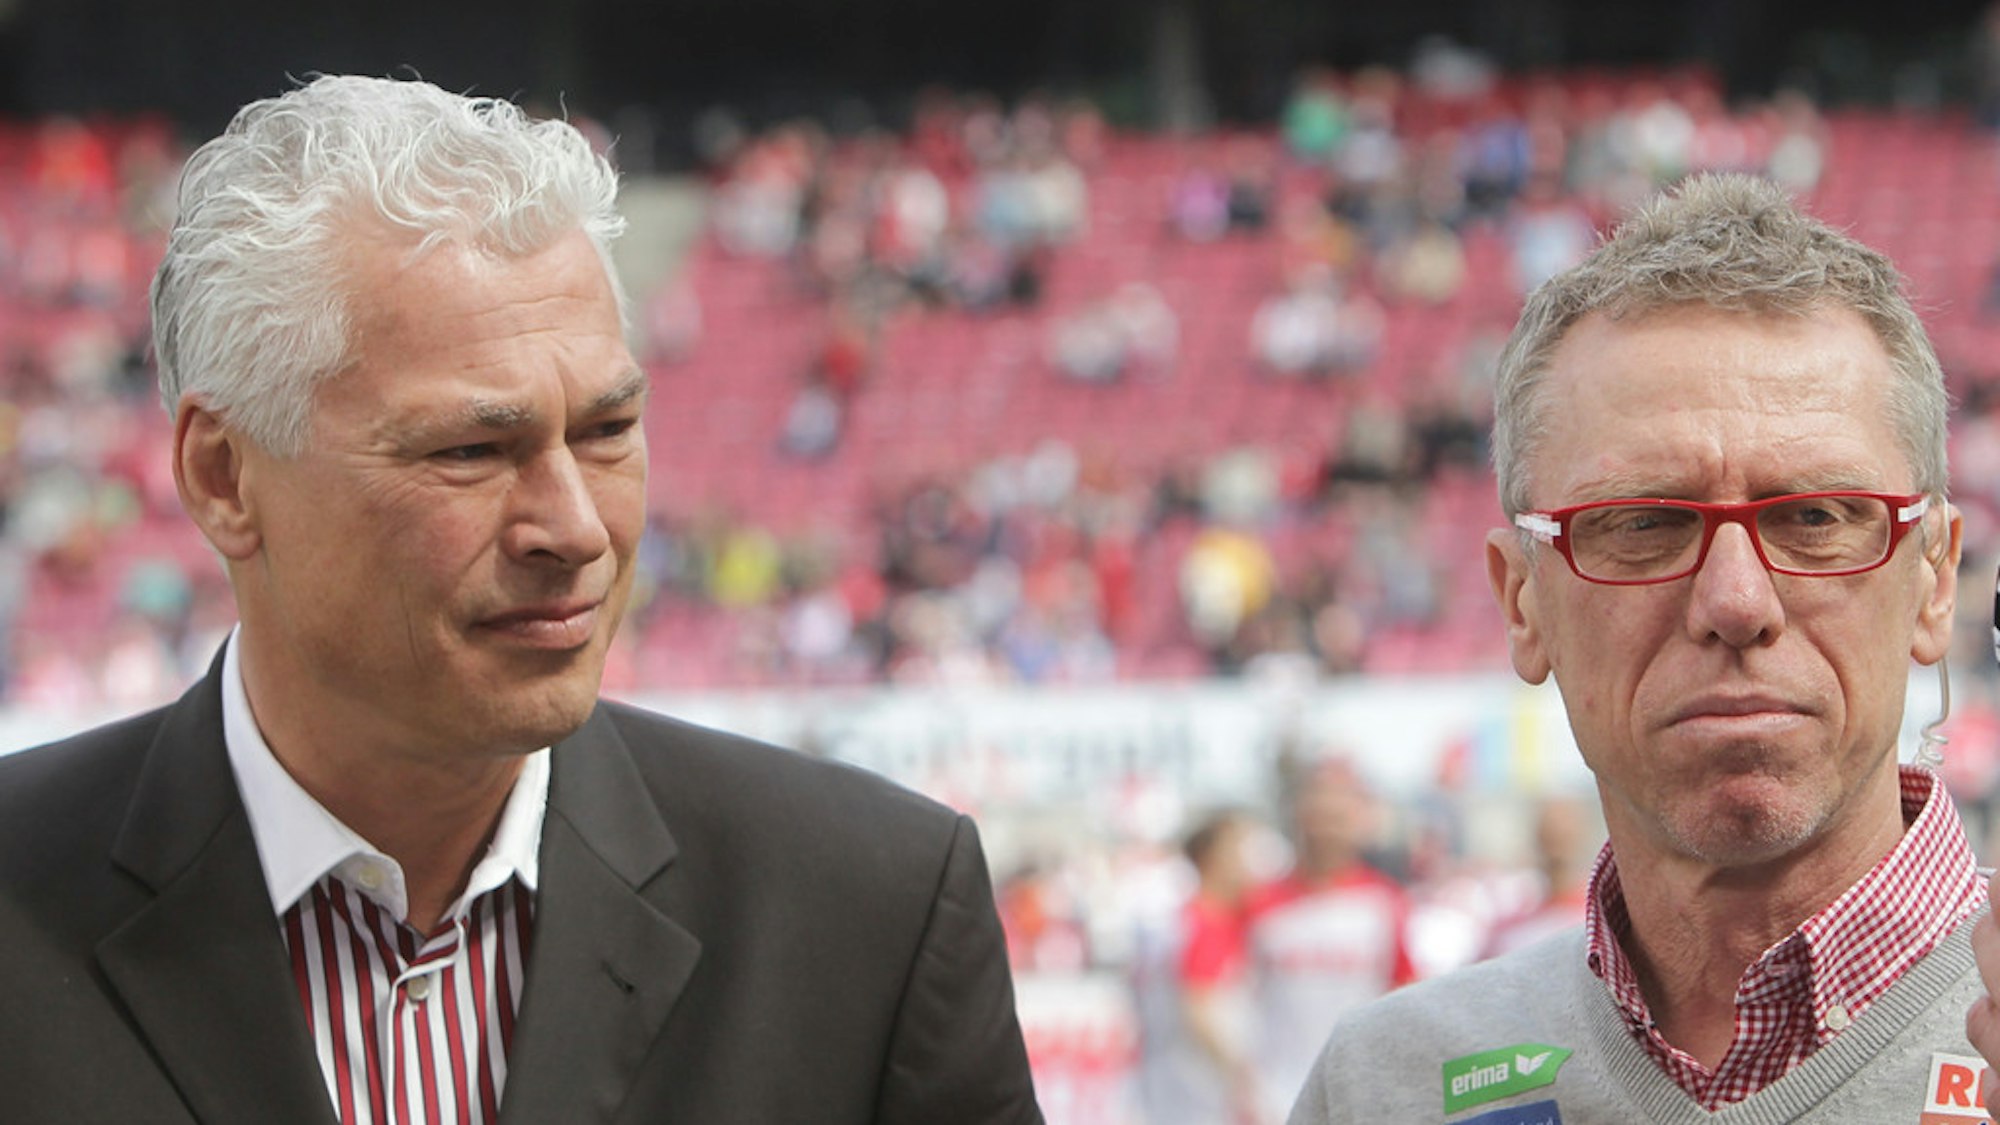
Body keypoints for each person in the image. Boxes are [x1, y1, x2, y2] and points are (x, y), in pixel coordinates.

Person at [0, 75, 1041, 1124]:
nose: (577, 527)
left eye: (605, 432)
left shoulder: (868, 912)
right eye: (471, 449)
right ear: (224, 478)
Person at [1290, 172, 1979, 1123]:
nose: (1736, 602)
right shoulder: (1387, 1085)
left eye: (1816, 515)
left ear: (1935, 579)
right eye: (1644, 524)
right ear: (1523, 601)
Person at [1249, 757, 1415, 1122]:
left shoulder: (1384, 901)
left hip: (1356, 1091)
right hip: (1273, 1094)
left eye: (1337, 818)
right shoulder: (1258, 903)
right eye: (1316, 815)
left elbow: (1405, 992)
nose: (1325, 829)